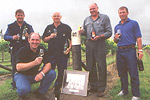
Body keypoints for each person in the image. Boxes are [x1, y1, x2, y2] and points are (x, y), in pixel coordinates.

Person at [79, 3, 112, 97]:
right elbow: (85, 32)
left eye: (93, 8)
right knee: (90, 66)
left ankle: (101, 88)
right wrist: (82, 32)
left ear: (97, 8)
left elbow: (109, 32)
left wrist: (100, 36)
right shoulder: (86, 19)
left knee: (101, 66)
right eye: (90, 9)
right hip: (89, 44)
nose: (92, 10)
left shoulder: (105, 17)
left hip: (100, 43)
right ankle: (94, 86)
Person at [15, 33, 56, 100]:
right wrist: (34, 63)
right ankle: (22, 96)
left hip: (34, 74)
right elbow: (18, 67)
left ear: (39, 41)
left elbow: (48, 64)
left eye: (37, 40)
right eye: (33, 40)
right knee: (24, 89)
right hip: (22, 75)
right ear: (29, 40)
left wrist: (41, 73)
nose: (35, 42)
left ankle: (40, 93)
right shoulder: (23, 50)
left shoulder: (41, 50)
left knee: (52, 73)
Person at [114, 6, 143, 100]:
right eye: (120, 13)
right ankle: (124, 90)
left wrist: (140, 50)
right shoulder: (117, 26)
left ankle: (136, 95)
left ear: (127, 13)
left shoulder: (134, 23)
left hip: (130, 50)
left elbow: (138, 37)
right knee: (122, 73)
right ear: (118, 14)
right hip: (120, 51)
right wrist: (115, 38)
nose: (121, 14)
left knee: (133, 72)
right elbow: (115, 41)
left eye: (123, 12)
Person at [42, 12, 72, 98]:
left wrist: (69, 48)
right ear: (52, 17)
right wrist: (50, 37)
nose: (56, 17)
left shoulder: (66, 27)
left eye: (58, 16)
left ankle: (57, 87)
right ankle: (45, 88)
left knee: (62, 71)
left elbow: (71, 39)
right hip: (51, 54)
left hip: (63, 54)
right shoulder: (48, 27)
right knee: (48, 71)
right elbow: (44, 39)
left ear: (60, 17)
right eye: (54, 16)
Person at [4, 9, 34, 89]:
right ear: (15, 16)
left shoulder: (28, 26)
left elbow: (33, 36)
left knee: (26, 66)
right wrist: (12, 37)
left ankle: (26, 82)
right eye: (18, 15)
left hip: (26, 50)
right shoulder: (10, 26)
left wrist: (29, 36)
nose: (20, 17)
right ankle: (14, 85)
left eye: (21, 15)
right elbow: (5, 36)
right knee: (14, 66)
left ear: (24, 16)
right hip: (15, 49)